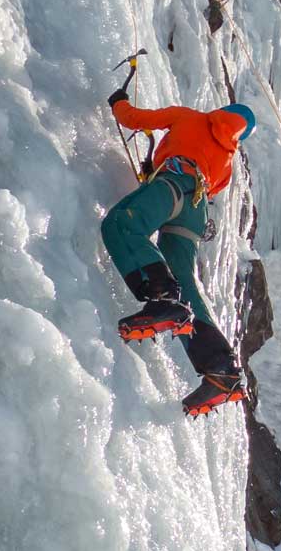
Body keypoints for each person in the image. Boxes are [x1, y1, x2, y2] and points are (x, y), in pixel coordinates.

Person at [102, 86, 256, 417]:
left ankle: (162, 298)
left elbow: (135, 119)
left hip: (172, 184)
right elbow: (210, 185)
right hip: (195, 209)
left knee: (121, 225)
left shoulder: (189, 116)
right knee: (184, 277)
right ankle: (221, 369)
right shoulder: (228, 160)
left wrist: (119, 102)